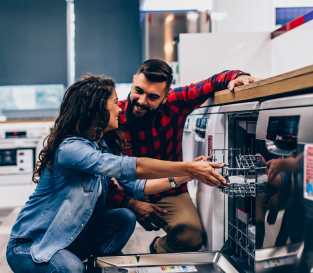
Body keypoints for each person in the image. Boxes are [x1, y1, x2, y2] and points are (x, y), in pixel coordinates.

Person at [6, 74, 227, 273]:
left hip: (68, 238)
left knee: (123, 218)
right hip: (31, 246)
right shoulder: (71, 149)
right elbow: (131, 167)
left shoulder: (101, 147)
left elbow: (138, 186)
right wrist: (187, 165)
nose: (120, 106)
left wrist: (187, 174)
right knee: (69, 272)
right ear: (98, 109)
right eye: (114, 101)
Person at [106, 59, 261, 253]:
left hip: (168, 187)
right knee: (100, 222)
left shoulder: (175, 103)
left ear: (165, 96)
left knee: (190, 238)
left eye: (153, 97)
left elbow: (211, 82)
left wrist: (238, 77)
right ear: (133, 80)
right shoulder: (112, 117)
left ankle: (157, 247)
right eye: (138, 90)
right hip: (124, 189)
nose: (142, 101)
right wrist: (130, 203)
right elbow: (97, 175)